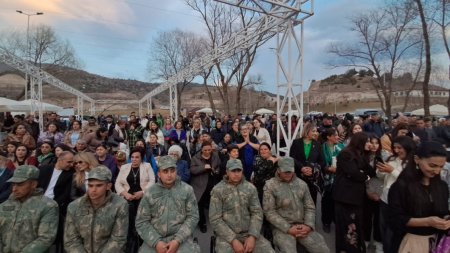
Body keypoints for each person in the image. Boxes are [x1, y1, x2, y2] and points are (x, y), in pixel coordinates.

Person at [388, 141, 450, 252]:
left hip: (437, 243)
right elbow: (395, 219)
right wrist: (427, 221)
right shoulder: (401, 186)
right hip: (410, 242)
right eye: (432, 166)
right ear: (417, 160)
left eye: (441, 167)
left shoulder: (442, 186)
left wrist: (446, 220)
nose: (437, 171)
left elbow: (442, 212)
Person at [263, 157, 330, 253]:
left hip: (302, 225)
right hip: (282, 228)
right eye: (285, 171)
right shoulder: (270, 186)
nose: (288, 174)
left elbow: (309, 207)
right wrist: (288, 228)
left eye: (290, 171)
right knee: (289, 250)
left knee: (322, 249)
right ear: (278, 170)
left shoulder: (302, 184)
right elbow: (269, 212)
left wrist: (308, 225)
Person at [136, 156, 200, 253]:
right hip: (154, 237)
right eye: (165, 171)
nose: (169, 175)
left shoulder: (187, 190)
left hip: (181, 238)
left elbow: (193, 217)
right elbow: (141, 222)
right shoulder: (150, 192)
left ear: (176, 171)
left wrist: (177, 240)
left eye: (172, 170)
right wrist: (156, 242)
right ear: (159, 174)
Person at [209, 159, 275, 253]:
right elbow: (215, 219)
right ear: (227, 172)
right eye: (233, 171)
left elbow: (257, 213)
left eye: (238, 170)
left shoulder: (250, 188)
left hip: (250, 233)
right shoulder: (218, 190)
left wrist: (252, 236)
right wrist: (233, 240)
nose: (236, 174)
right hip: (226, 237)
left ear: (242, 171)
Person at [64, 165, 129, 253]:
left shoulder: (120, 205)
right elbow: (71, 239)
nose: (93, 190)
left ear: (108, 186)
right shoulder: (74, 206)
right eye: (90, 186)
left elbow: (118, 239)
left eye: (99, 185)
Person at [0, 165, 59, 252]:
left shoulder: (48, 206)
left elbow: (46, 238)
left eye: (20, 184)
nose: (14, 189)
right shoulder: (4, 205)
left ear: (33, 184)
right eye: (13, 184)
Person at [333, 132, 372, 253]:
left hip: (355, 198)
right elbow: (354, 173)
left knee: (355, 226)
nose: (370, 144)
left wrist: (363, 173)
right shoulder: (346, 153)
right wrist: (364, 176)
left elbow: (370, 171)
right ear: (360, 142)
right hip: (345, 198)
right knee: (347, 227)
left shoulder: (360, 154)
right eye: (368, 141)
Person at [376, 135, 416, 253]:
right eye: (395, 148)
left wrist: (392, 171)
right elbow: (382, 177)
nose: (397, 150)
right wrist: (381, 171)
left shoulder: (414, 162)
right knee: (383, 227)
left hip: (401, 202)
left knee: (393, 231)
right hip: (385, 199)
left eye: (400, 148)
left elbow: (409, 182)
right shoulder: (391, 159)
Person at [116, 148, 155, 252]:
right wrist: (125, 194)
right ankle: (130, 243)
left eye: (137, 157)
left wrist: (142, 192)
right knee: (128, 223)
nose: (134, 159)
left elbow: (152, 181)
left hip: (142, 197)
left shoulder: (147, 166)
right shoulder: (124, 167)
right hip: (127, 197)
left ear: (141, 158)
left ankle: (142, 241)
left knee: (141, 221)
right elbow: (117, 183)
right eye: (132, 157)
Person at [38, 151, 75, 253]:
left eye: (72, 162)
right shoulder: (44, 169)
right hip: (38, 202)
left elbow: (65, 195)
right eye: (69, 162)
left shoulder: (70, 174)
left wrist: (52, 205)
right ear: (60, 159)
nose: (71, 165)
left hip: (55, 206)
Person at [290, 122, 325, 205]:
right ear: (307, 130)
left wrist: (312, 169)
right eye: (313, 131)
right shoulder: (296, 142)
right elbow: (292, 158)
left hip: (312, 179)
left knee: (311, 204)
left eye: (316, 131)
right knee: (298, 203)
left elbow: (322, 162)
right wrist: (302, 168)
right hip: (298, 177)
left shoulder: (317, 145)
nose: (316, 133)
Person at [190, 141, 221, 233]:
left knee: (215, 204)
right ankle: (202, 223)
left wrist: (216, 170)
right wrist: (203, 167)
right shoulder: (195, 158)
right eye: (205, 150)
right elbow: (192, 170)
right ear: (201, 149)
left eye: (209, 150)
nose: (207, 152)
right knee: (200, 204)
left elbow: (218, 165)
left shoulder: (215, 156)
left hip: (213, 182)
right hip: (200, 184)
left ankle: (217, 222)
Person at [321, 128, 345, 233]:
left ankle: (337, 221)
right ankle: (326, 222)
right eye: (335, 135)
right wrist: (327, 168)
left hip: (339, 178)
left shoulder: (341, 147)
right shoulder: (322, 148)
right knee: (327, 201)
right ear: (328, 137)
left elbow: (346, 160)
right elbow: (320, 162)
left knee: (338, 201)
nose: (337, 137)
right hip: (327, 180)